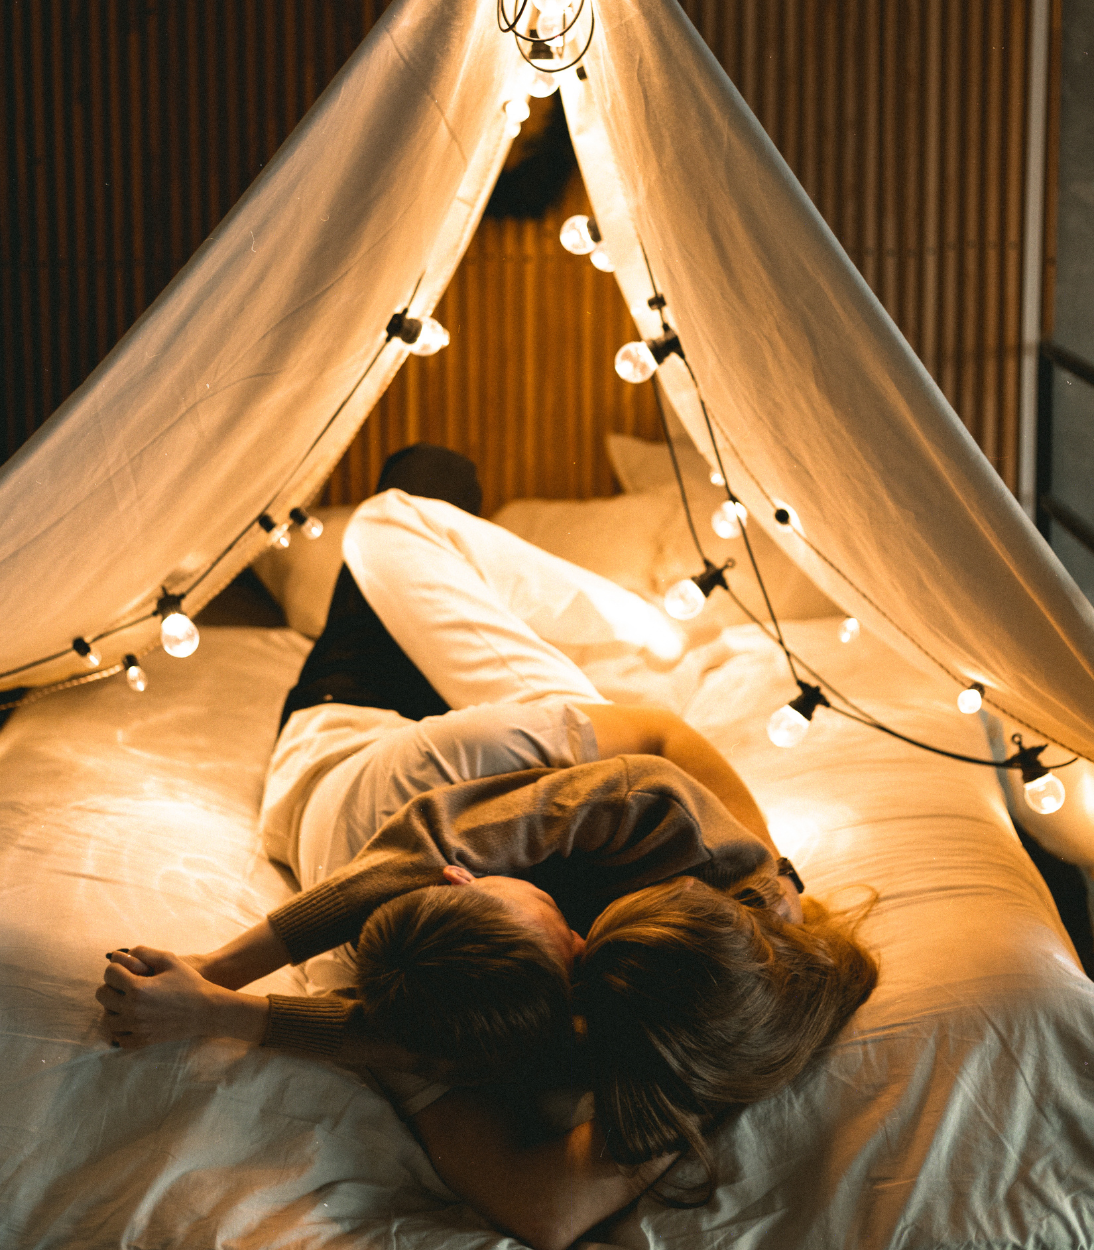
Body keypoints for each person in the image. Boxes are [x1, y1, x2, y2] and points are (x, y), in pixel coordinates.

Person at [97, 446, 875, 1249]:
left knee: (397, 506)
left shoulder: (439, 901)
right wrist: (714, 1051)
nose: (464, 868)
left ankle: (560, 567)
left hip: (350, 727)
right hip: (433, 749)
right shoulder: (461, 967)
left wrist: (222, 998)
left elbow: (655, 732)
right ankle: (579, 584)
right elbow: (541, 1209)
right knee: (428, 501)